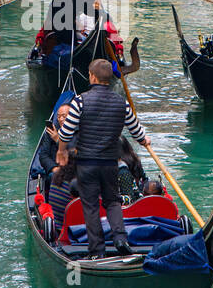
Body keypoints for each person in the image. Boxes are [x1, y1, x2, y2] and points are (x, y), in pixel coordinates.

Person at [56, 58, 152, 258]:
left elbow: (65, 133)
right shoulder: (122, 102)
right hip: (110, 163)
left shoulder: (80, 101)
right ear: (108, 79)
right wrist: (145, 140)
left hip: (87, 164)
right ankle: (120, 239)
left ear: (92, 77)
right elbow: (136, 130)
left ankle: (96, 252)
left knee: (90, 205)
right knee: (113, 201)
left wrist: (62, 151)